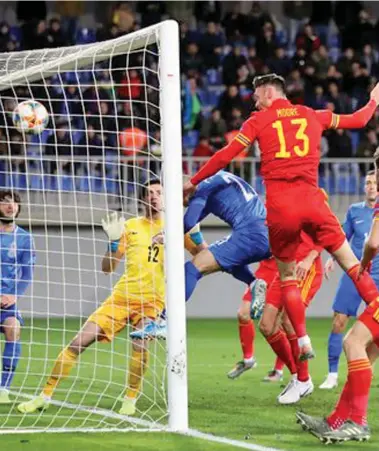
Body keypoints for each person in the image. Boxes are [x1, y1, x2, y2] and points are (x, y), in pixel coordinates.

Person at [183, 73, 379, 365]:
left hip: (281, 210)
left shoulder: (258, 121)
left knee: (286, 277)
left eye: (256, 94)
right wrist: (374, 99)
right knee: (351, 264)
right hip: (314, 203)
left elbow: (226, 155)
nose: (254, 100)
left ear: (268, 91)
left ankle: (302, 339)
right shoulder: (312, 114)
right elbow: (359, 120)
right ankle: (376, 310)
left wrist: (194, 181)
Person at [17, 179, 204, 417]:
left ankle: (130, 397)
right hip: (120, 298)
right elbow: (107, 268)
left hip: (152, 302)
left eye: (159, 193)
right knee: (78, 342)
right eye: (149, 193)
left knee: (140, 346)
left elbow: (202, 256)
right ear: (142, 199)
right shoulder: (130, 226)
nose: (154, 197)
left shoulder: (177, 227)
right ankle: (44, 395)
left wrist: (195, 236)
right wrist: (113, 242)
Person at [132, 170, 271, 360]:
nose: (182, 204)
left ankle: (164, 321)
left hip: (249, 235)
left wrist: (168, 234)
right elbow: (194, 220)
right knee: (223, 259)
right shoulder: (217, 179)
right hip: (266, 234)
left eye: (179, 199)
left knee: (191, 269)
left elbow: (189, 221)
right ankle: (253, 282)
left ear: (185, 189)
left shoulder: (201, 188)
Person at [296, 150, 379, 443]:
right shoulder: (357, 210)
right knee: (364, 356)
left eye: (375, 171)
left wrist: (365, 263)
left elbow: (374, 241)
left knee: (353, 342)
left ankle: (357, 421)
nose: (373, 179)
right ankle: (337, 420)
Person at [320, 170, 378, 390]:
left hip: (378, 275)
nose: (371, 186)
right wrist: (332, 259)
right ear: (364, 187)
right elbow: (341, 238)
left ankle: (363, 372)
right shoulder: (355, 211)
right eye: (368, 183)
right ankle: (332, 375)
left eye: (374, 182)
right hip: (356, 273)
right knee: (339, 321)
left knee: (375, 328)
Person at [0, 191, 35, 404]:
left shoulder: (24, 238)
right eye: (4, 201)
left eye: (13, 201)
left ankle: (3, 388)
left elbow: (27, 273)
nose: (10, 205)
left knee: (13, 327)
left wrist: (14, 295)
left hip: (6, 302)